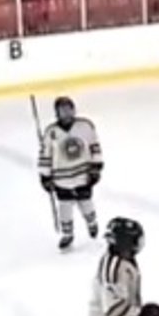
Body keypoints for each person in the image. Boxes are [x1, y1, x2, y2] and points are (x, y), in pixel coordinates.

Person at [37, 96, 102, 250]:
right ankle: (67, 234)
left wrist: (96, 167)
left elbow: (94, 147)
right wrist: (45, 176)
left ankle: (91, 223)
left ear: (73, 110)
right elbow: (46, 155)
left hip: (83, 175)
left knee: (86, 203)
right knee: (64, 207)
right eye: (62, 110)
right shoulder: (51, 132)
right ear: (57, 113)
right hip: (62, 179)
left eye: (68, 109)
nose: (66, 113)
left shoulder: (85, 126)